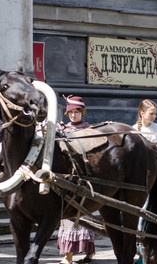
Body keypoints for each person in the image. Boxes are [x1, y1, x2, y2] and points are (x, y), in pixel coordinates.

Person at [57, 96, 95, 264]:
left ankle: (89, 253)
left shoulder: (90, 130)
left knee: (86, 216)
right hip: (68, 178)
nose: (73, 115)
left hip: (86, 177)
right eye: (70, 112)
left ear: (82, 112)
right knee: (67, 216)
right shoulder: (62, 130)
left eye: (76, 112)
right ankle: (68, 256)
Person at [132, 99, 157, 168]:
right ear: (142, 113)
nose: (154, 117)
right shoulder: (133, 130)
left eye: (155, 114)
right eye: (151, 114)